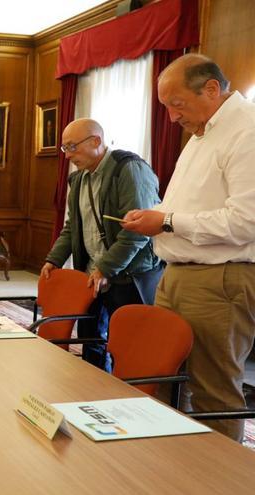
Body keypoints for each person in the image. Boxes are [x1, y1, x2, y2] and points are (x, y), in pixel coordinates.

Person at [122, 54, 255, 442]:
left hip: (220, 279)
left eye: (176, 104)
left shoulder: (245, 130)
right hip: (177, 273)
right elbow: (186, 207)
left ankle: (220, 480)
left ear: (211, 89)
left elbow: (246, 220)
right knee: (158, 375)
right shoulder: (203, 134)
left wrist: (164, 221)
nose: (171, 118)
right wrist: (155, 214)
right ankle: (165, 468)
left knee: (213, 391)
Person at [42, 118, 162, 372]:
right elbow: (72, 226)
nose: (68, 156)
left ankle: (125, 400)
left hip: (129, 275)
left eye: (72, 147)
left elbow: (138, 232)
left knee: (127, 344)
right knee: (90, 339)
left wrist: (106, 269)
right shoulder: (78, 180)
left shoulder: (128, 169)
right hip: (92, 273)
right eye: (65, 149)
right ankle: (92, 393)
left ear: (96, 141)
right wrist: (53, 259)